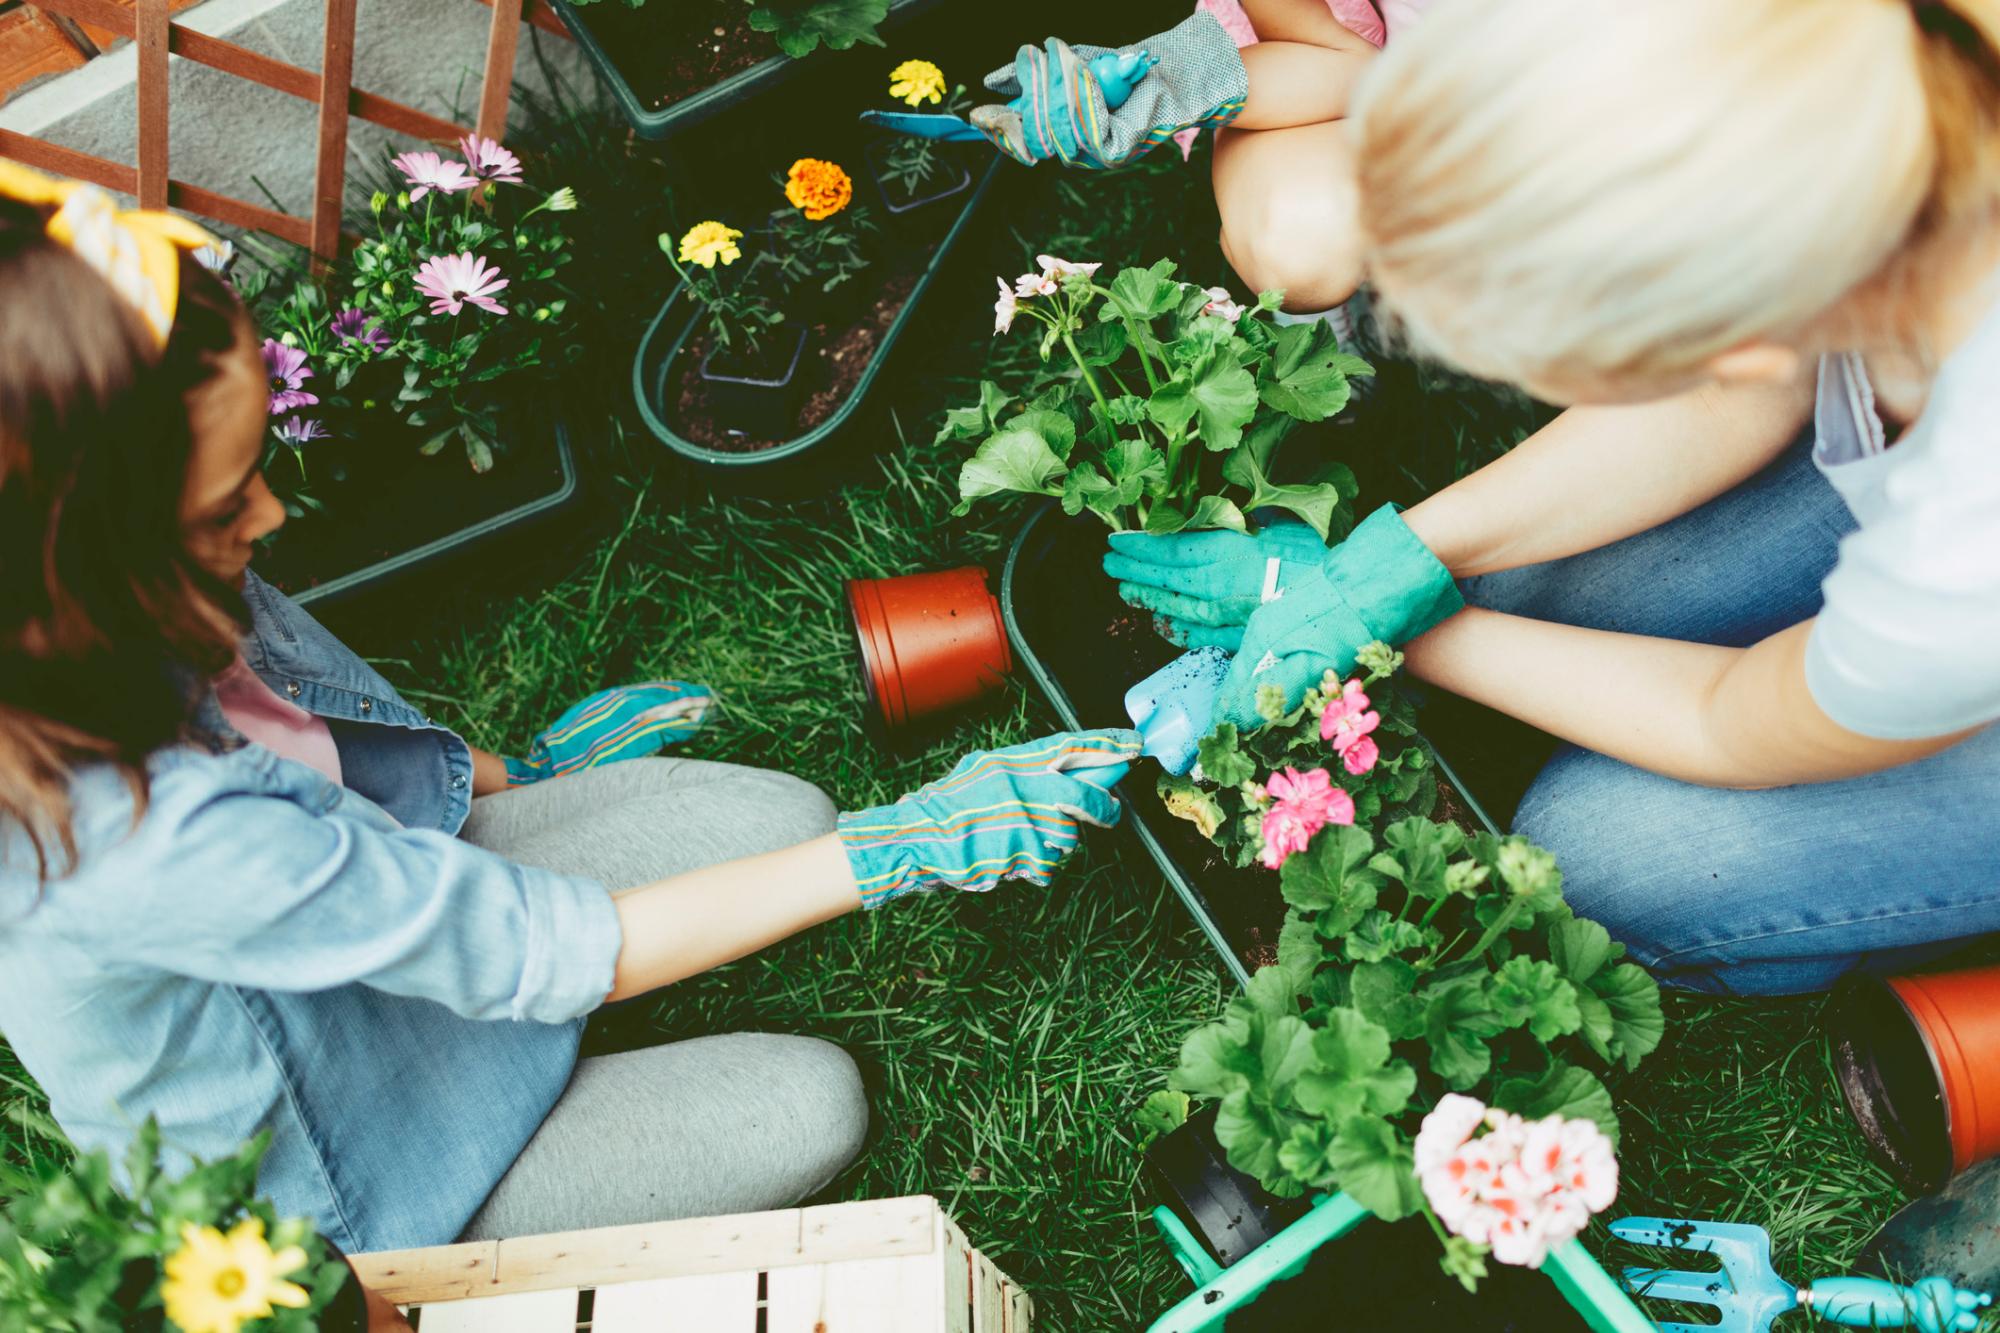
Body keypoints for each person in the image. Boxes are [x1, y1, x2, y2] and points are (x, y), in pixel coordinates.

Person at [0, 162, 1138, 1271]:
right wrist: (912, 842)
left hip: (394, 911)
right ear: (83, 556)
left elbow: (293, 719)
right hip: (389, 1164)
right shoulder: (140, 840)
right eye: (223, 502)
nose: (271, 510)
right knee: (807, 1104)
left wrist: (507, 774)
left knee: (787, 813)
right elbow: (549, 951)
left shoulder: (92, 602)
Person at [1106, 0, 2000, 996]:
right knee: (1532, 595)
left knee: (1601, 853)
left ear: (1745, 337)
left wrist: (1376, 608)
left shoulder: (1966, 536)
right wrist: (1394, 566)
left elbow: (1726, 718)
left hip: (1963, 592)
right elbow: (1736, 401)